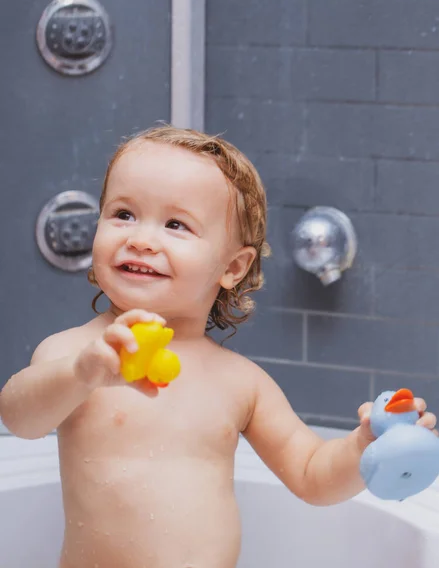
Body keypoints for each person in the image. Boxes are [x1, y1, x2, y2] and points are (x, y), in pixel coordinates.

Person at [1, 125, 436, 568]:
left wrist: (364, 445)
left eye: (175, 224)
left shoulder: (240, 382)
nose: (141, 238)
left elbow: (311, 475)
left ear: (232, 266)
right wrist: (82, 373)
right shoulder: (76, 353)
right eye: (123, 214)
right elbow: (20, 419)